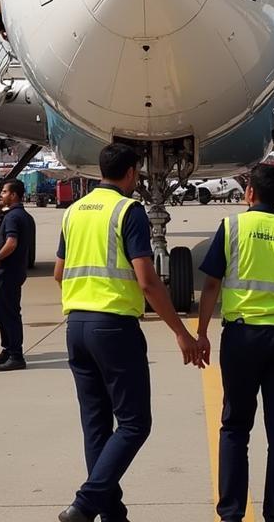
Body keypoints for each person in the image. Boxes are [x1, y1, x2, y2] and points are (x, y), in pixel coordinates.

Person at [55, 143, 201, 522]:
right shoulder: (128, 211)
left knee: (96, 425)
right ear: (133, 174)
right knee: (135, 422)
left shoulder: (73, 212)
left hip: (76, 326)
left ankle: (112, 513)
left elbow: (59, 273)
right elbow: (148, 280)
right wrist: (181, 332)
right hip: (114, 327)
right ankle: (86, 503)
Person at [195, 163, 274, 522]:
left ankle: (232, 513)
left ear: (249, 192)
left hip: (243, 336)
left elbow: (210, 285)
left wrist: (202, 333)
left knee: (235, 426)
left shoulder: (232, 227)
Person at [0, 179, 32, 371]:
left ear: (13, 195)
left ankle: (16, 354)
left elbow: (11, 242)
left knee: (9, 313)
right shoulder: (23, 216)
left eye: (4, 192)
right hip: (13, 271)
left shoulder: (13, 217)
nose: (1, 195)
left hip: (7, 271)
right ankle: (8, 348)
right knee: (2, 312)